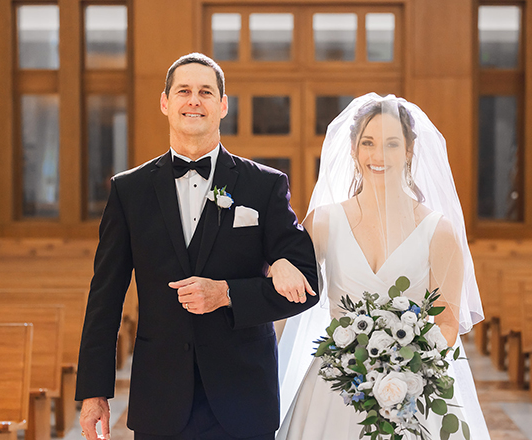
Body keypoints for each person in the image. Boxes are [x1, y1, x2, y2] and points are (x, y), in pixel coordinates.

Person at [75, 52, 319, 440]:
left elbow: (308, 288)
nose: (194, 100)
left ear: (223, 105)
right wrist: (93, 392)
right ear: (165, 102)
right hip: (161, 397)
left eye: (206, 92)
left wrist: (227, 294)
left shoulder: (265, 185)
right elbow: (105, 298)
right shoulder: (128, 191)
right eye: (184, 91)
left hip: (244, 395)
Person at [268, 93, 490, 439]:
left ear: (409, 150)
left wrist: (403, 362)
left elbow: (447, 322)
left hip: (409, 387)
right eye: (368, 143)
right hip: (334, 385)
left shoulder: (438, 231)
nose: (378, 155)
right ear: (355, 150)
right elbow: (289, 290)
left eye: (390, 144)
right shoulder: (325, 221)